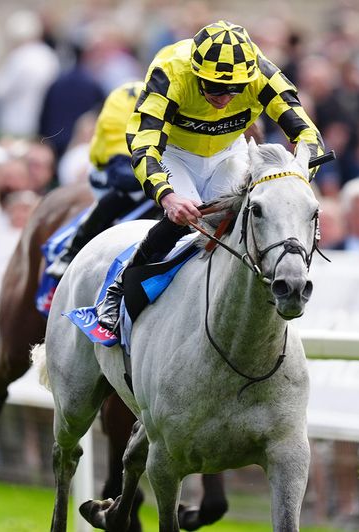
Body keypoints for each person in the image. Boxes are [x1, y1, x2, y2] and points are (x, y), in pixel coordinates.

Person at [95, 21, 326, 333]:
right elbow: (143, 142)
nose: (225, 97)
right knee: (187, 216)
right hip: (174, 153)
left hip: (228, 152)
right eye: (215, 88)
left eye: (235, 88)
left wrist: (298, 176)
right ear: (195, 72)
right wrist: (168, 196)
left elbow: (307, 134)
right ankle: (119, 289)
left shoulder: (263, 72)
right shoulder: (171, 70)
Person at [45, 80, 150, 279]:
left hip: (153, 166)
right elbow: (121, 167)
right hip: (115, 167)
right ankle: (72, 249)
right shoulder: (126, 97)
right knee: (130, 191)